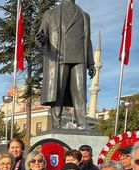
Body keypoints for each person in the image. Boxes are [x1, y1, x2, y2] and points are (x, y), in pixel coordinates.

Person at [36, 0, 95, 128]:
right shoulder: (50, 14)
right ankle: (56, 123)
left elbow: (88, 41)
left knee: (80, 93)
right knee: (58, 92)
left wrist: (91, 63)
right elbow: (41, 36)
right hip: (59, 57)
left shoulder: (84, 16)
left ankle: (82, 123)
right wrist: (42, 39)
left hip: (79, 58)